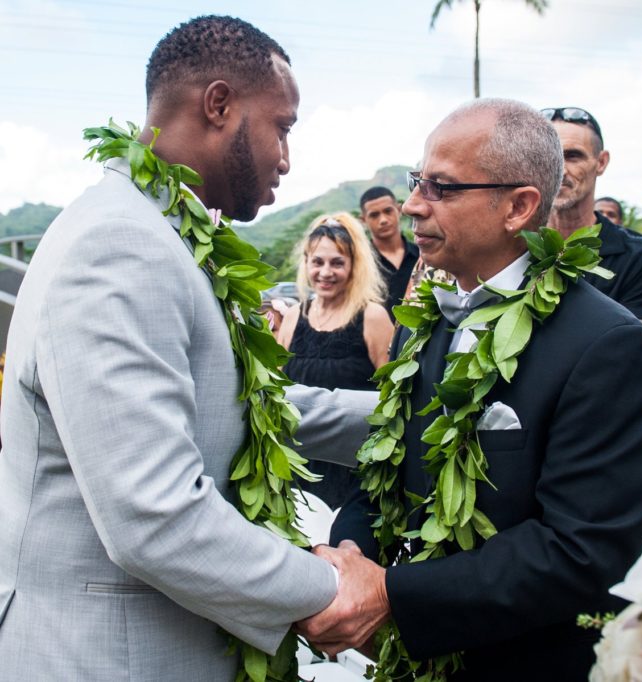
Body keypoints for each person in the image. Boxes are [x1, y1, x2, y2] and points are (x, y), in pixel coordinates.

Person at [0, 16, 375, 680]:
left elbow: (240, 402)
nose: (287, 157)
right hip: (106, 658)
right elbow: (155, 514)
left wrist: (407, 418)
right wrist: (332, 586)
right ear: (219, 105)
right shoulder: (120, 245)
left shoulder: (166, 238)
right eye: (281, 128)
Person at [310, 99, 642, 681]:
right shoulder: (423, 324)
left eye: (442, 189)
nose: (412, 206)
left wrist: (394, 594)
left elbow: (579, 550)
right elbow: (382, 475)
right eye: (417, 181)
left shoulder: (608, 346)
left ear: (519, 206)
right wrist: (352, 559)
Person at [276, 213, 394, 508]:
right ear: (306, 263)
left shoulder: (373, 317)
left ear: (354, 267)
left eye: (337, 263)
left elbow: (395, 399)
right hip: (295, 471)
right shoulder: (293, 317)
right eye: (318, 262)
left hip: (354, 474)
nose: (325, 272)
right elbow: (274, 391)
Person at [543, 106, 642, 343]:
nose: (559, 169)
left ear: (601, 162)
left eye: (573, 156)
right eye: (548, 157)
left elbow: (637, 351)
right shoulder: (508, 247)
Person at [360, 186, 419, 319]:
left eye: (388, 211)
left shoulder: (424, 256)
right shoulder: (360, 264)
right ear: (363, 220)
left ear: (399, 210)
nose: (383, 220)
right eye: (374, 215)